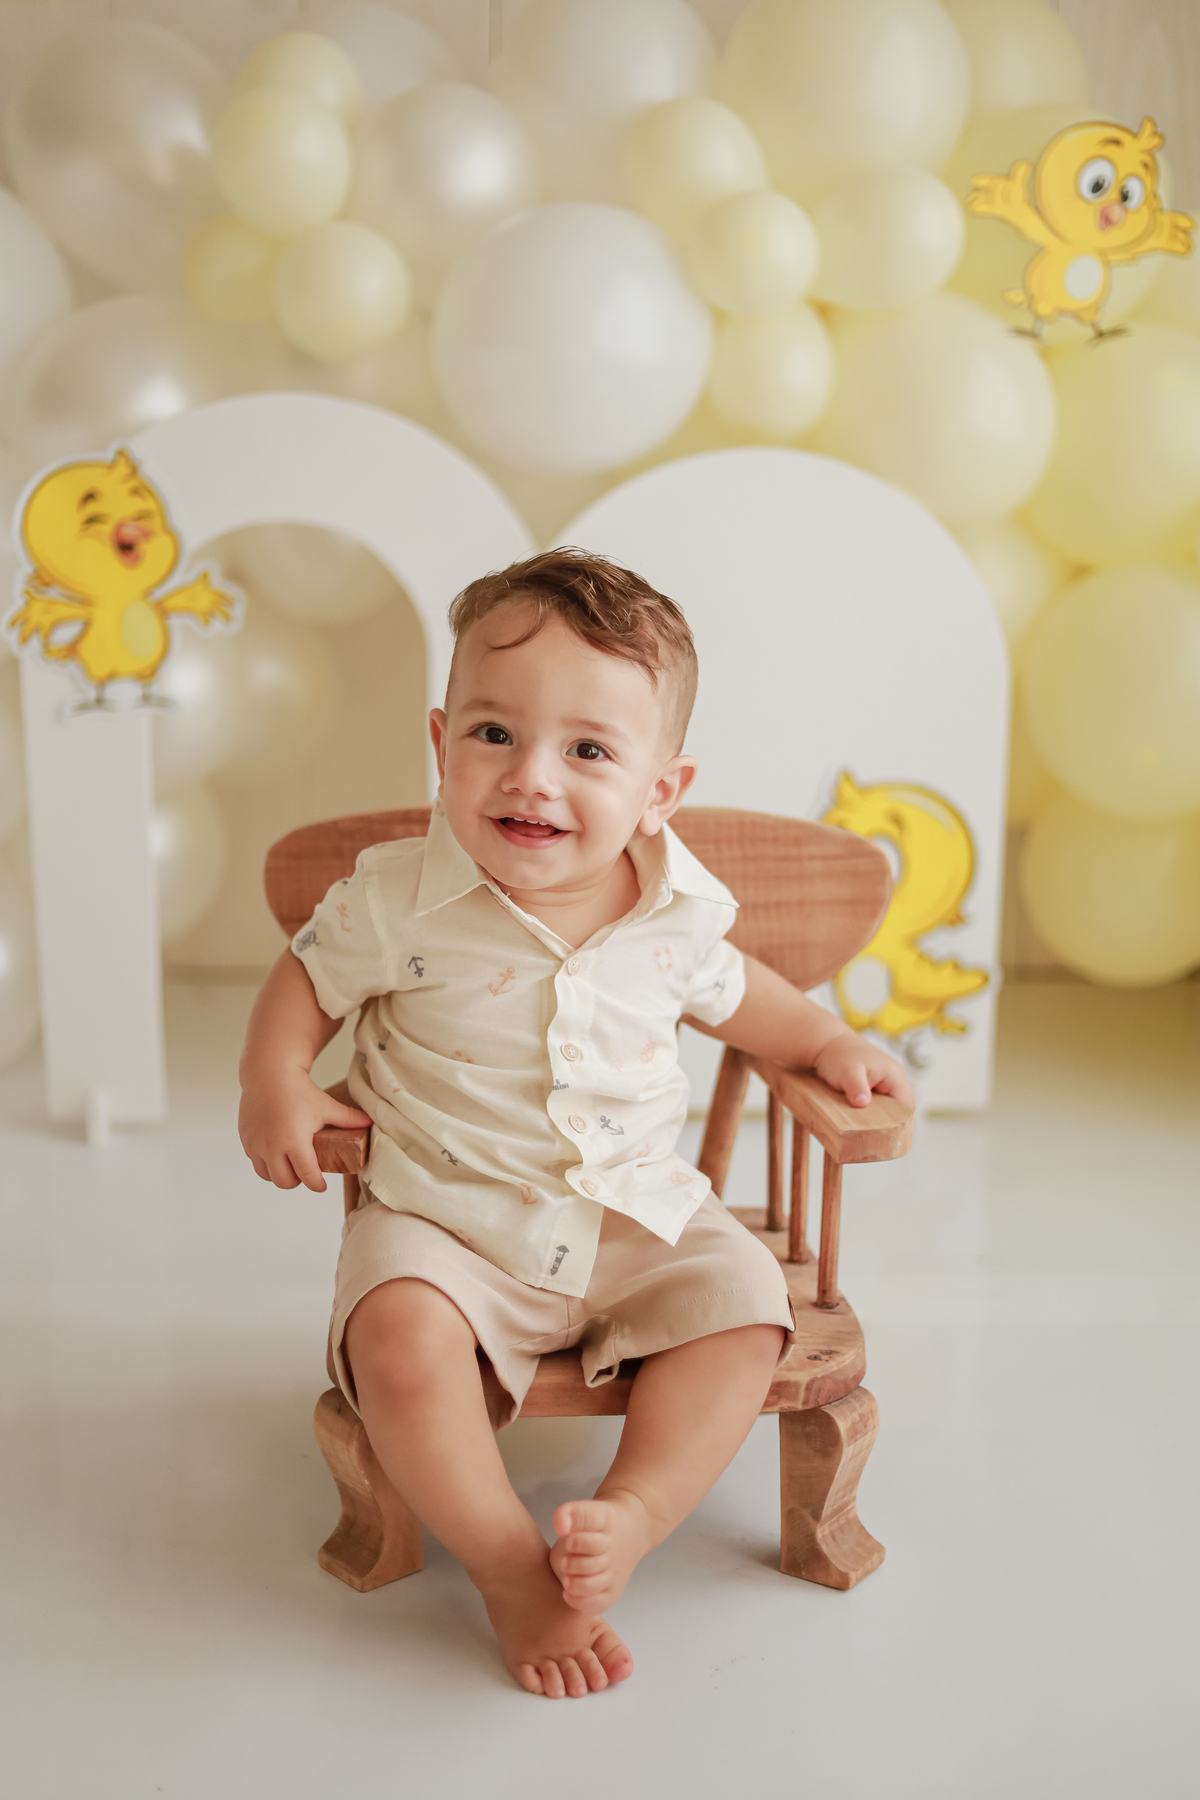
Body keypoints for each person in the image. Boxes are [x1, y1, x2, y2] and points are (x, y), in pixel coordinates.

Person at [238, 549, 912, 1699]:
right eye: (494, 734)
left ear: (660, 789)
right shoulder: (395, 897)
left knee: (746, 1308)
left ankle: (633, 1513)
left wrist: (823, 1042)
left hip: (631, 1210)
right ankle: (509, 1566)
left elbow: (742, 999)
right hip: (444, 1221)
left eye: (589, 751)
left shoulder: (673, 915)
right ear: (442, 741)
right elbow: (303, 980)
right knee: (395, 1343)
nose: (532, 779)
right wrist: (277, 1080)